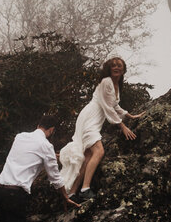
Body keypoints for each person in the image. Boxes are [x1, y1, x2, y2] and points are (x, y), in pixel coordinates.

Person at [59, 56, 143, 202]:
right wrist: (122, 126)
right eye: (113, 66)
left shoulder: (116, 84)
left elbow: (114, 105)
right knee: (99, 151)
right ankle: (85, 189)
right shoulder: (106, 82)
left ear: (123, 69)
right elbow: (107, 107)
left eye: (119, 65)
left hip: (94, 120)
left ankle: (72, 192)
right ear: (109, 69)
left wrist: (129, 115)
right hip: (90, 118)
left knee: (88, 157)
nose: (116, 68)